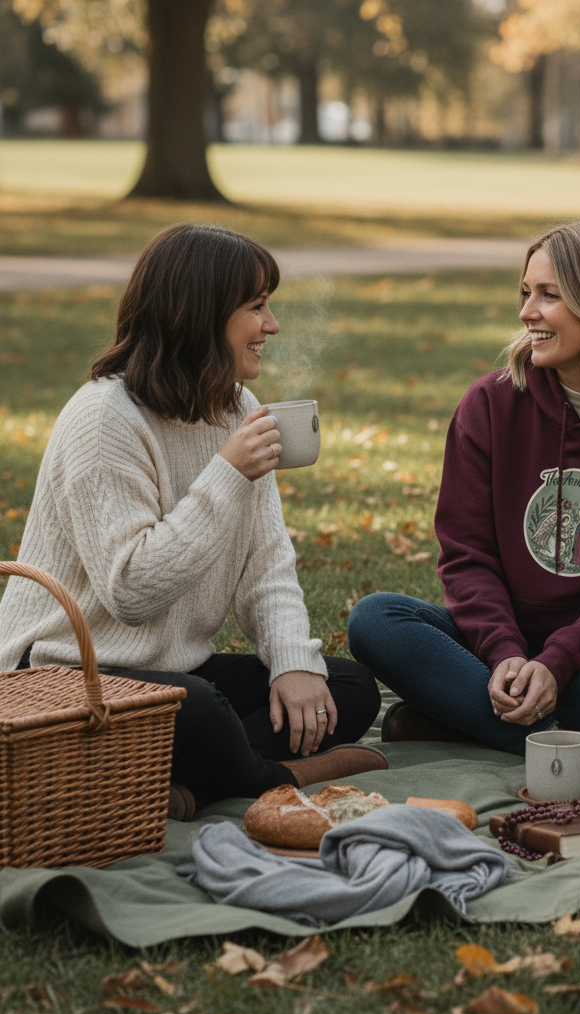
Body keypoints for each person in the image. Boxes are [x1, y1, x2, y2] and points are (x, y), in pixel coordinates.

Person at [0, 223, 385, 819]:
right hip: (67, 674)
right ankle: (275, 776)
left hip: (171, 668)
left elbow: (267, 562)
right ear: (200, 315)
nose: (272, 325)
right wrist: (226, 475)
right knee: (201, 709)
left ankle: (187, 786)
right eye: (256, 307)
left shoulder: (239, 408)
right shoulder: (104, 419)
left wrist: (291, 664)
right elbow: (131, 591)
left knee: (344, 688)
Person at [348, 221, 580, 780]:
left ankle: (460, 719)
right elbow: (467, 554)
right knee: (375, 618)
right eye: (526, 293)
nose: (527, 312)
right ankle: (579, 740)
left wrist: (560, 660)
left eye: (549, 295)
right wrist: (505, 654)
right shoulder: (490, 405)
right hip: (497, 646)